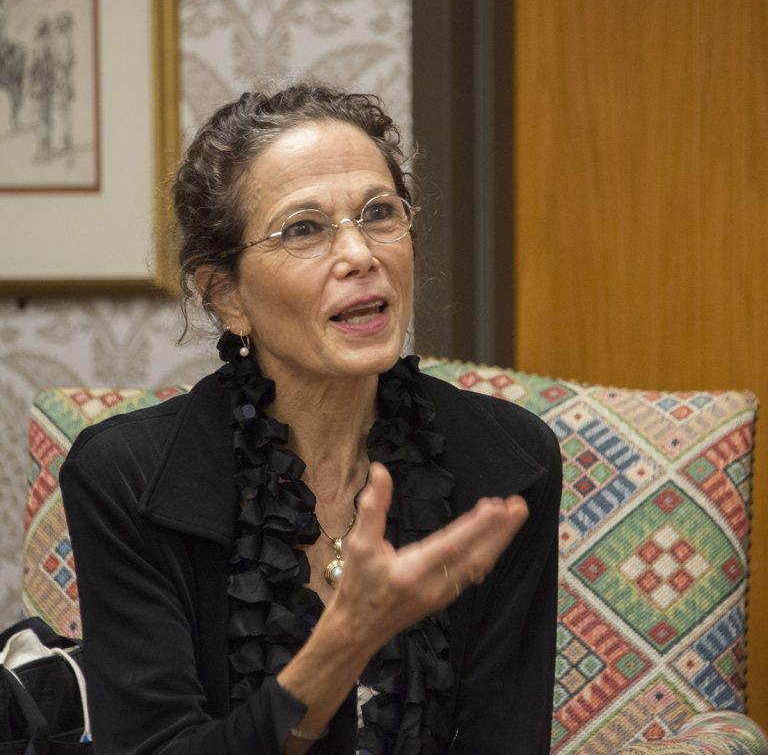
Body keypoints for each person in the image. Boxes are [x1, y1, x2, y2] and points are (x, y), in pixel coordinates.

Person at [60, 84, 562, 755]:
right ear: (226, 295)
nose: (360, 254)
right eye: (304, 228)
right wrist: (346, 641)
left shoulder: (507, 462)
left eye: (379, 213)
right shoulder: (127, 479)